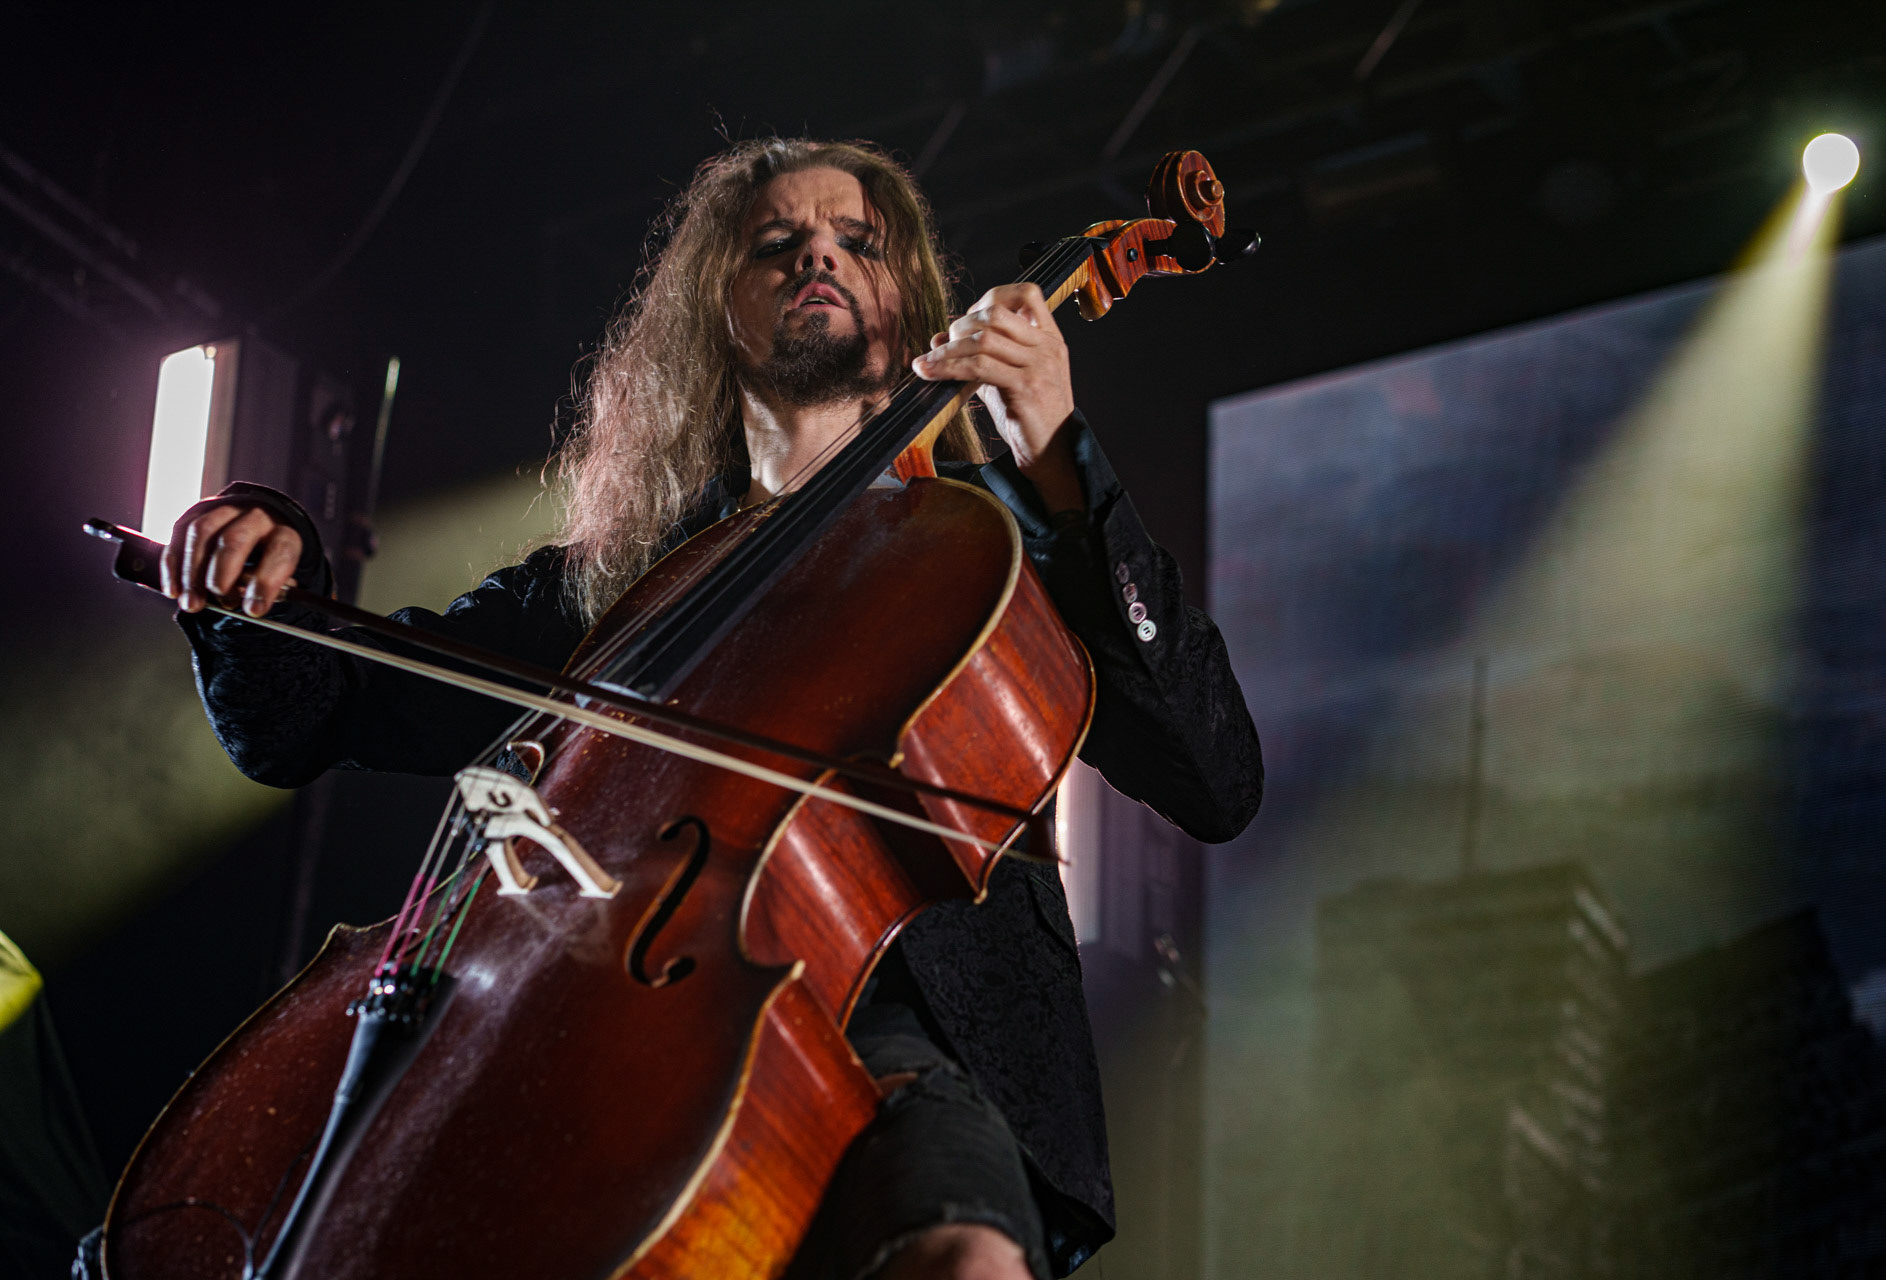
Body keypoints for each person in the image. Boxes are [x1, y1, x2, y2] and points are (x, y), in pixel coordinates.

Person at [158, 138, 1261, 1280]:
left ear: (909, 300)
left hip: (900, 1034)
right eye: (776, 244)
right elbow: (310, 713)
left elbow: (1216, 775)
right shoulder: (620, 578)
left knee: (963, 1257)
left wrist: (1060, 451)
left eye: (856, 241)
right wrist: (257, 563)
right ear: (715, 306)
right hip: (603, 1021)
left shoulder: (1006, 546)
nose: (817, 256)